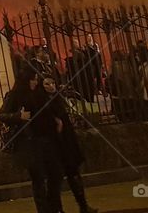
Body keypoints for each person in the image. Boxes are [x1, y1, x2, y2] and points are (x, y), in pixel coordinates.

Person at [0, 69, 64, 213]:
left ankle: (55, 206)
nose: (35, 82)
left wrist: (54, 120)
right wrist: (18, 116)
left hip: (44, 139)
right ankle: (44, 209)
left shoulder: (37, 94)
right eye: (33, 79)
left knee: (55, 173)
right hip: (28, 142)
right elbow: (2, 114)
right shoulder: (15, 95)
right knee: (38, 177)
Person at [42, 76, 98, 213]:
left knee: (73, 174)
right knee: (55, 178)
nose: (51, 86)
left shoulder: (58, 98)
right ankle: (57, 209)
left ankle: (83, 205)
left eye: (52, 82)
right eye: (46, 84)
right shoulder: (41, 101)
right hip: (54, 143)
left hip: (66, 141)